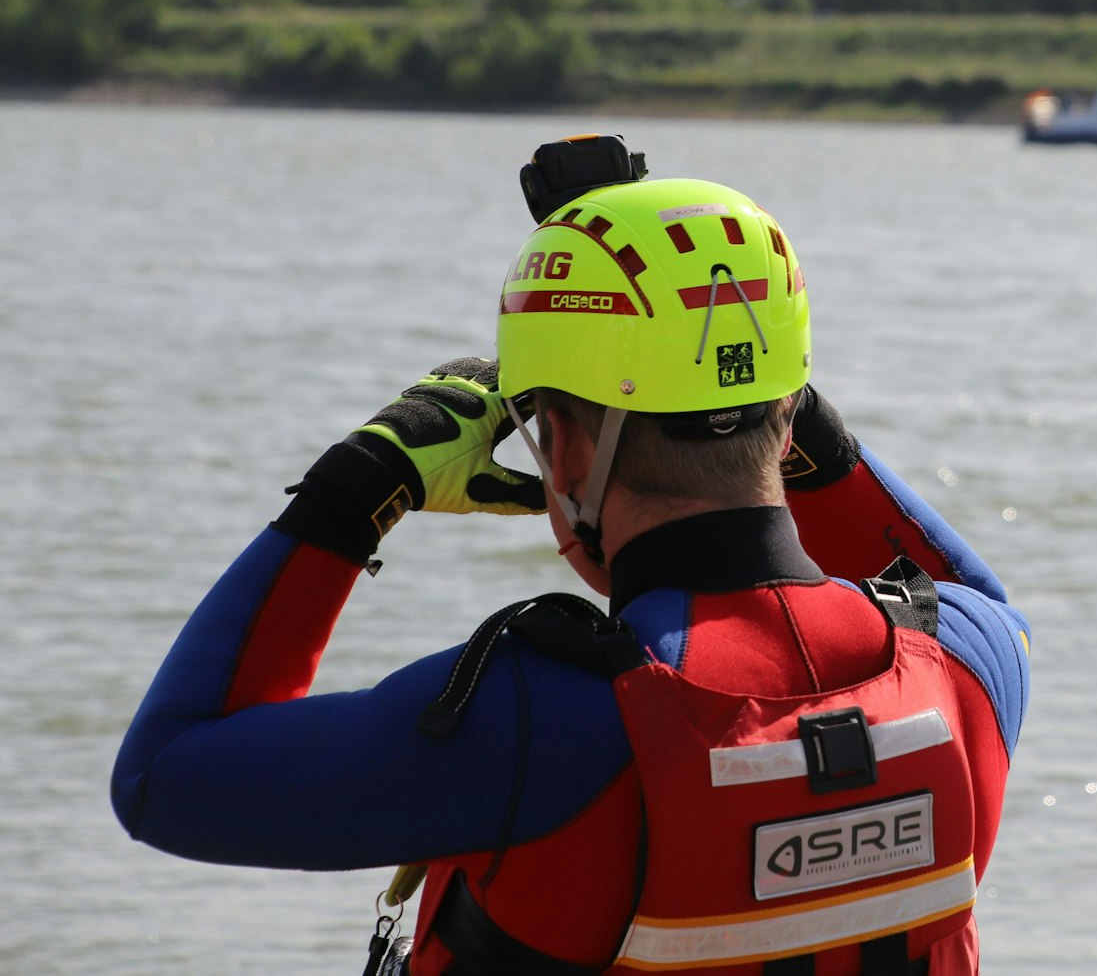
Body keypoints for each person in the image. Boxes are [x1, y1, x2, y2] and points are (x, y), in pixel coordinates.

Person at [111, 136, 1031, 975]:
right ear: (789, 412)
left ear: (573, 450)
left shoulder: (542, 722)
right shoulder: (963, 670)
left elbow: (165, 774)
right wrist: (741, 352)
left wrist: (354, 493)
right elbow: (962, 586)